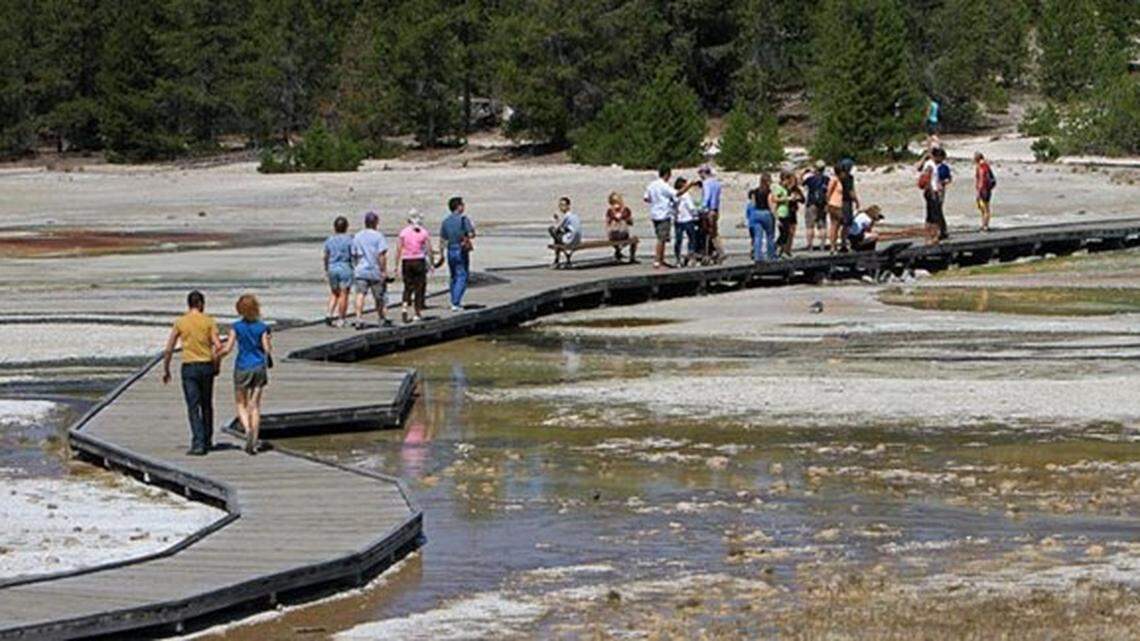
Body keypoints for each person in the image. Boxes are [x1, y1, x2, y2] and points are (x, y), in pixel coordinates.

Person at [162, 290, 223, 456]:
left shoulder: (181, 322)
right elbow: (218, 347)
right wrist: (217, 364)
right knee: (207, 404)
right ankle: (208, 439)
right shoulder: (209, 321)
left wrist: (166, 369)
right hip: (206, 365)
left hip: (189, 366)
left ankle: (198, 443)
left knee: (193, 406)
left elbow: (169, 348)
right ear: (201, 304)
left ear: (188, 304)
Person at [217, 294, 272, 455]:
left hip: (242, 366)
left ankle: (247, 429)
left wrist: (216, 356)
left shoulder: (236, 327)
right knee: (254, 405)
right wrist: (268, 341)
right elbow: (267, 349)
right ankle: (254, 439)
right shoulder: (262, 327)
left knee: (241, 403)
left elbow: (227, 349)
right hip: (259, 367)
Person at [643, 165, 698, 269]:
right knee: (661, 238)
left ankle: (661, 259)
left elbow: (646, 198)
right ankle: (657, 261)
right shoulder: (664, 185)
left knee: (662, 237)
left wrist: (656, 201)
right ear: (667, 174)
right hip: (663, 214)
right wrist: (689, 185)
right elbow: (678, 193)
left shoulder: (652, 185)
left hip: (654, 214)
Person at [351, 211, 391, 328]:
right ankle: (381, 317)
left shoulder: (357, 236)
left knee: (360, 294)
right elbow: (381, 255)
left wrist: (355, 266)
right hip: (375, 270)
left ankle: (359, 318)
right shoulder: (378, 236)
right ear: (376, 223)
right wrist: (383, 271)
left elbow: (354, 254)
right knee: (379, 296)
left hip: (361, 269)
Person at [396, 211, 435, 323]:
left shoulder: (403, 232)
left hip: (406, 260)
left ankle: (404, 308)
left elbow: (399, 249)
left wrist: (396, 264)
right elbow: (429, 249)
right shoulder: (423, 232)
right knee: (418, 287)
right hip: (419, 260)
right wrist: (432, 264)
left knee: (407, 286)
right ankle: (417, 312)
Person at [438, 196, 476, 311]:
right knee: (462, 275)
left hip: (450, 249)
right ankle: (456, 302)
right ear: (458, 207)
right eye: (462, 205)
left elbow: (443, 239)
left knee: (453, 275)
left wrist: (441, 254)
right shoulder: (463, 219)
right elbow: (471, 234)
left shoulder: (446, 221)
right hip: (460, 249)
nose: (463, 207)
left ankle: (454, 299)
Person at [322, 216, 353, 327]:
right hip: (345, 267)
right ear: (346, 227)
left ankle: (329, 314)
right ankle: (341, 318)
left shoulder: (329, 240)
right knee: (344, 294)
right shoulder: (349, 239)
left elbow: (326, 255)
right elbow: (353, 254)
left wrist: (326, 268)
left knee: (334, 292)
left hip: (332, 267)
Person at [919, 147, 951, 245]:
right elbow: (928, 179)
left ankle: (930, 236)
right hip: (932, 191)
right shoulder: (930, 165)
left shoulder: (931, 164)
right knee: (934, 215)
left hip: (931, 191)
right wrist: (932, 191)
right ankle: (934, 236)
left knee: (931, 215)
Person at [746, 174, 776, 262]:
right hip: (766, 213)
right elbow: (771, 205)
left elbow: (753, 204)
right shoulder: (769, 192)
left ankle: (757, 256)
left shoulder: (755, 191)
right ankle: (771, 256)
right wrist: (775, 216)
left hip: (756, 213)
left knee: (758, 236)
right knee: (770, 236)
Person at [697, 165, 724, 262]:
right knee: (714, 232)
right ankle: (717, 251)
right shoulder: (717, 183)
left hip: (709, 211)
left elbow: (707, 197)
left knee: (708, 232)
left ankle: (714, 252)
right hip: (716, 209)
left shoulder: (706, 183)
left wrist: (701, 208)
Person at [801, 162, 828, 251]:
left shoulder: (810, 179)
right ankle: (822, 245)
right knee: (822, 226)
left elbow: (801, 183)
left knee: (810, 226)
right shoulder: (826, 179)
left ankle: (810, 246)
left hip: (811, 203)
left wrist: (804, 172)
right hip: (822, 204)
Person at [673, 177, 699, 266]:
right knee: (691, 239)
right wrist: (696, 214)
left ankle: (678, 259)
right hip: (688, 219)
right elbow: (691, 208)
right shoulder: (686, 195)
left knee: (678, 240)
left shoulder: (674, 195)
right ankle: (691, 257)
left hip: (678, 220)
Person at [604, 192, 637, 261]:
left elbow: (607, 223)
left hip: (616, 235)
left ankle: (618, 251)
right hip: (619, 234)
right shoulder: (623, 210)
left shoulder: (610, 211)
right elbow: (630, 222)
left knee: (632, 238)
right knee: (633, 239)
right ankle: (630, 256)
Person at [771, 170, 795, 258]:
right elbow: (775, 199)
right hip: (781, 213)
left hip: (786, 213)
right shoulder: (779, 188)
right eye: (788, 180)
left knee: (786, 233)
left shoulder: (784, 188)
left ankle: (781, 252)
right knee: (784, 233)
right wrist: (787, 198)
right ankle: (775, 249)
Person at [974, 152, 996, 232]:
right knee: (983, 208)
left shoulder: (982, 167)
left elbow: (983, 179)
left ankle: (985, 225)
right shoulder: (983, 166)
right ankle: (984, 224)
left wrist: (980, 190)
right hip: (984, 189)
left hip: (984, 189)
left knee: (985, 208)